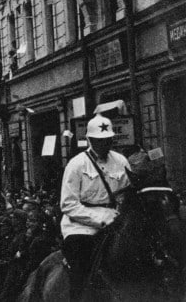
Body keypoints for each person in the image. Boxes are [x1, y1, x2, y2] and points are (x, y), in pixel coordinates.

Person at [60, 114, 130, 301]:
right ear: (90, 140)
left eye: (108, 140)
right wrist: (100, 220)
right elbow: (68, 204)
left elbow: (127, 192)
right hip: (81, 226)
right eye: (99, 140)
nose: (104, 144)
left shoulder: (121, 161)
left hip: (116, 219)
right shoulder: (76, 164)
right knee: (81, 262)